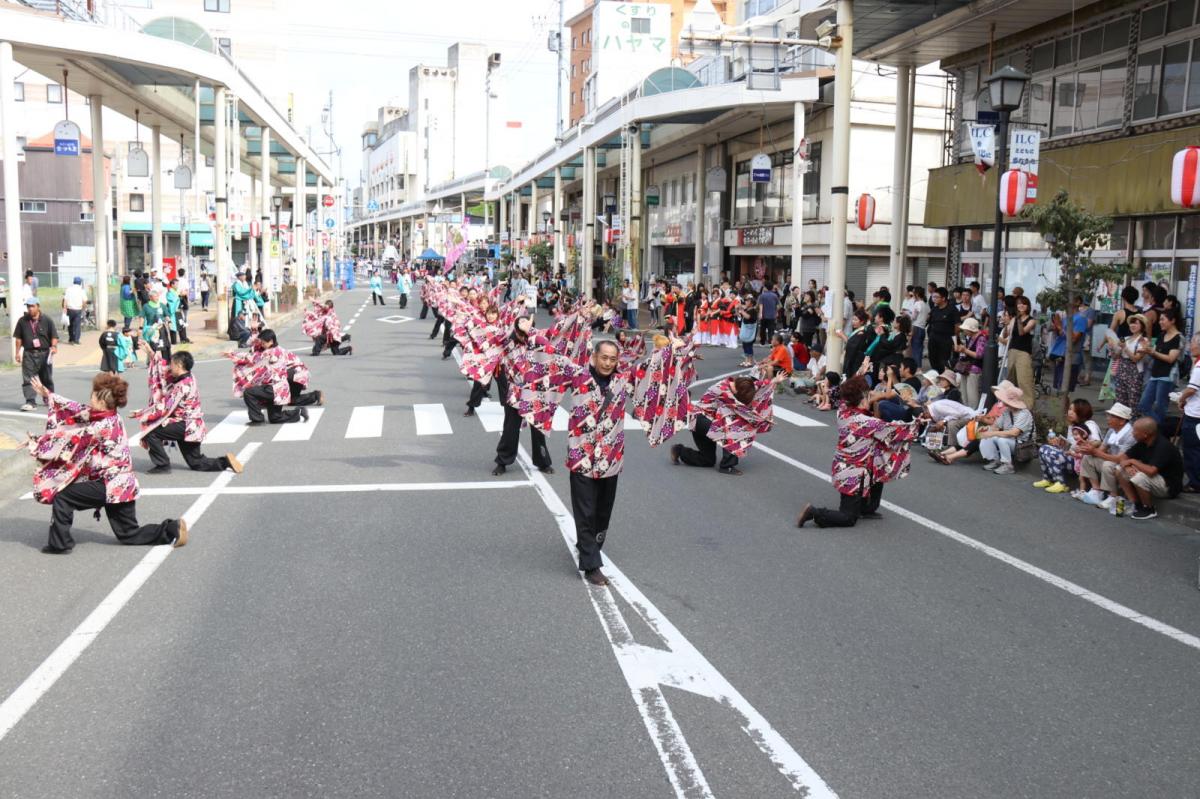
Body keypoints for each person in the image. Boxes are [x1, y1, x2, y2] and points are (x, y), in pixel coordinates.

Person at [524, 327, 691, 585]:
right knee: (585, 510)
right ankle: (591, 565)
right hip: (581, 456)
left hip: (611, 458)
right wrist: (527, 330)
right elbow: (551, 355)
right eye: (604, 358)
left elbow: (651, 367)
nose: (608, 363)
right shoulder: (578, 375)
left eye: (613, 359)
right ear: (593, 357)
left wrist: (671, 349)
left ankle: (590, 544)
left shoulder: (622, 380)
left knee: (602, 512)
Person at [25, 374, 188, 555]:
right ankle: (172, 529)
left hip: (108, 484)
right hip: (122, 484)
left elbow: (68, 440)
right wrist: (48, 394)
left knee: (63, 497)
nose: (90, 399)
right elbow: (76, 408)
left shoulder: (101, 426)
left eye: (93, 396)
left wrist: (35, 442)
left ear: (102, 402)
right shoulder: (109, 416)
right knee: (129, 534)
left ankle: (59, 544)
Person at [796, 375, 917, 528]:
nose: (871, 398)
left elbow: (846, 392)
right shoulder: (866, 422)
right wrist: (918, 415)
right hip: (853, 475)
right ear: (862, 398)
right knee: (848, 517)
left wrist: (861, 372)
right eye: (868, 396)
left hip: (844, 466)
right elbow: (898, 431)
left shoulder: (843, 411)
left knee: (879, 458)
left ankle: (866, 507)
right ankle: (814, 513)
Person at [132, 345, 243, 474]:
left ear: (179, 366)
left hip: (184, 425)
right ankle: (225, 462)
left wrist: (142, 414)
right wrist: (152, 353)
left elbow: (165, 407)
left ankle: (163, 465)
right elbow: (162, 371)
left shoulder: (182, 386)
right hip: (192, 426)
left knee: (151, 432)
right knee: (196, 462)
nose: (169, 367)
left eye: (172, 364)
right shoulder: (189, 376)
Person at [671, 374, 780, 475]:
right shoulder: (723, 390)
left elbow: (754, 385)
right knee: (736, 428)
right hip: (701, 421)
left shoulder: (737, 385)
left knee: (708, 460)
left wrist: (773, 381)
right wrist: (762, 420)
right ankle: (727, 466)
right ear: (738, 390)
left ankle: (680, 451)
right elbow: (743, 410)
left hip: (703, 421)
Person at [225, 329, 323, 425]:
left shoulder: (270, 353)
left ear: (271, 341)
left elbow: (252, 357)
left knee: (249, 392)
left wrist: (232, 354)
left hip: (289, 379)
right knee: (275, 418)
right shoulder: (274, 349)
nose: (261, 344)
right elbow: (254, 347)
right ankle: (299, 412)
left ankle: (257, 419)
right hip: (281, 386)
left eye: (263, 343)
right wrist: (254, 330)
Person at [1104, 418, 1184, 519]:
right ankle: (1134, 503)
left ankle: (1149, 508)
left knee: (1139, 477)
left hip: (1168, 486)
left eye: (1135, 431)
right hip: (1154, 479)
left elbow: (1151, 471)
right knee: (1120, 469)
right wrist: (1128, 466)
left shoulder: (1163, 446)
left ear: (1145, 434)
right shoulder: (1142, 442)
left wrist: (1133, 462)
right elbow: (1123, 458)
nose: (1132, 433)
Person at [1032, 399, 1101, 494]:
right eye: (1069, 409)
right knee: (1043, 448)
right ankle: (1047, 479)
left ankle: (1061, 483)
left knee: (1052, 453)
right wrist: (1059, 444)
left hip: (1081, 461)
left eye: (1073, 410)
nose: (1070, 412)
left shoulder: (1089, 424)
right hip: (1072, 457)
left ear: (1081, 412)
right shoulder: (1072, 426)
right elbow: (1070, 446)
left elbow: (1097, 442)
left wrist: (1082, 447)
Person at [1076, 403, 1137, 507]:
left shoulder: (1130, 435)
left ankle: (1113, 497)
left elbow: (1120, 459)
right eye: (1109, 415)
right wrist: (1088, 450)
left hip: (1125, 466)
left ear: (1122, 421)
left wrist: (1095, 451)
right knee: (1087, 457)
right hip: (1113, 461)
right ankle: (1096, 491)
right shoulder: (1112, 430)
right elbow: (1102, 449)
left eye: (1112, 416)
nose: (1108, 418)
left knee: (1107, 465)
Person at [976, 380, 1034, 475]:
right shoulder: (1007, 411)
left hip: (1023, 444)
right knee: (987, 437)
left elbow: (1014, 433)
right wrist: (986, 430)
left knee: (1001, 440)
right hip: (1011, 441)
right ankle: (994, 460)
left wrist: (992, 433)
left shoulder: (1024, 414)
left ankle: (1008, 465)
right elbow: (996, 426)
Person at [1137, 307, 1183, 424]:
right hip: (1155, 374)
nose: (1159, 322)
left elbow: (1171, 359)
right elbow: (1155, 354)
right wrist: (1147, 350)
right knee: (1143, 405)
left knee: (1160, 408)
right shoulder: (1162, 335)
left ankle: (1160, 432)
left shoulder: (1178, 338)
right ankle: (1159, 429)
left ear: (1172, 320)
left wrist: (1153, 352)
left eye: (1163, 319)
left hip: (1167, 377)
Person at [14, 297, 58, 412]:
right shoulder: (22, 321)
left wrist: (53, 347)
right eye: (28, 306)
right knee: (28, 379)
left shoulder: (47, 320)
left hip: (44, 353)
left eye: (32, 306)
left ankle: (49, 399)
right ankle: (30, 401)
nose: (30, 309)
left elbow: (54, 336)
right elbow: (18, 338)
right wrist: (17, 352)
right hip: (29, 354)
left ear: (38, 306)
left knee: (47, 378)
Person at [1106, 311, 1150, 410]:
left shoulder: (1144, 341)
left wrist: (1124, 348)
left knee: (1133, 401)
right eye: (1132, 323)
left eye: (1136, 323)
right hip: (1121, 370)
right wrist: (1113, 349)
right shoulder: (1126, 338)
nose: (1132, 325)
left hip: (1134, 373)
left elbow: (1136, 358)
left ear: (1142, 326)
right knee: (1119, 400)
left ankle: (1132, 423)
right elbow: (1115, 357)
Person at [1006, 295, 1037, 409]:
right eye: (1019, 303)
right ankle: (1010, 404)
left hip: (1024, 353)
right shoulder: (1014, 319)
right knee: (1010, 379)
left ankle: (1028, 407)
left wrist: (1018, 319)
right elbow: (1006, 334)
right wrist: (1006, 323)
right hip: (1012, 350)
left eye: (1023, 303)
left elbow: (1022, 332)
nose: (1021, 305)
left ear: (1027, 306)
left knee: (1024, 380)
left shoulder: (1031, 320)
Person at [1178, 333, 1200, 493]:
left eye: (1192, 343)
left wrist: (1182, 399)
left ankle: (1195, 482)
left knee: (1191, 449)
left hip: (1195, 413)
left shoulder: (1199, 367)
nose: (1190, 346)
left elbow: (1192, 389)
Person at [953, 317, 987, 410]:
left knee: (972, 394)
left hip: (974, 370)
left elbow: (979, 355)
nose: (964, 331)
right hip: (966, 369)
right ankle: (966, 411)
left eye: (965, 329)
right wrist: (962, 350)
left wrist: (965, 350)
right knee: (964, 393)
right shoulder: (971, 338)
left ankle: (973, 413)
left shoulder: (981, 338)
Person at [926, 287, 958, 373]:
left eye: (936, 297)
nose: (934, 299)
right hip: (933, 337)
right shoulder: (934, 309)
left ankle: (943, 377)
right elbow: (928, 321)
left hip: (946, 338)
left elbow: (957, 326)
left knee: (943, 360)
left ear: (943, 298)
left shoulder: (952, 309)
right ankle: (935, 375)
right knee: (932, 357)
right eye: (933, 297)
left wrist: (954, 340)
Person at [62, 276, 88, 345]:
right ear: (80, 283)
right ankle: (76, 340)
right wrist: (84, 308)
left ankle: (71, 339)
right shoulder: (81, 290)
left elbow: (65, 300)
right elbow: (85, 301)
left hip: (69, 309)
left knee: (69, 325)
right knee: (77, 325)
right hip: (78, 309)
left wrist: (64, 309)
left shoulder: (68, 289)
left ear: (73, 282)